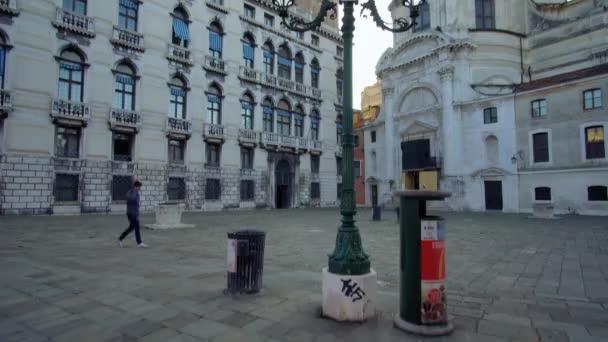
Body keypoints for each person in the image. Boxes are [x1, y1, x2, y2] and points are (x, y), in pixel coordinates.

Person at [118, 180, 148, 248]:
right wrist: (134, 192)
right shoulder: (131, 192)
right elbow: (131, 199)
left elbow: (136, 203)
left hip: (133, 213)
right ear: (136, 186)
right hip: (131, 213)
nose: (140, 189)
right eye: (139, 187)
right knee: (137, 227)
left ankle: (120, 238)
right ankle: (139, 243)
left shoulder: (134, 192)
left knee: (131, 228)